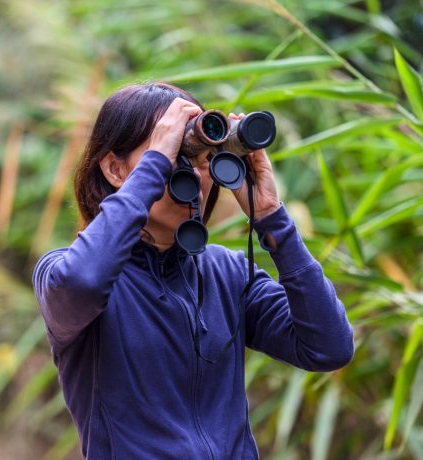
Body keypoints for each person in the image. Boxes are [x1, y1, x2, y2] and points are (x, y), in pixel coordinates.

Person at [32, 82, 354, 459]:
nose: (196, 175)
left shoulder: (228, 273)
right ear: (116, 169)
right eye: (174, 153)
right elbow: (82, 282)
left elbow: (329, 347)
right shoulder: (61, 272)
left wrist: (271, 218)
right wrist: (155, 165)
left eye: (201, 158)